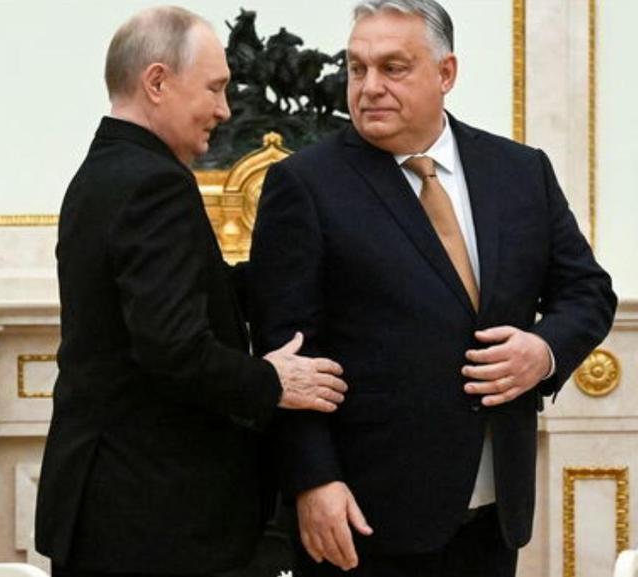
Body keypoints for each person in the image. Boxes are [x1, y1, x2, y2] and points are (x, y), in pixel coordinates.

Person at [250, 1, 617, 576]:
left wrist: (543, 351)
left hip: (495, 515)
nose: (369, 87)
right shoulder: (304, 184)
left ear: (446, 73)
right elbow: (288, 353)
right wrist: (312, 480)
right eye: (357, 68)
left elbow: (588, 292)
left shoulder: (520, 171)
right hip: (365, 518)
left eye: (393, 68)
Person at [35, 7, 348, 577]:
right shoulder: (154, 183)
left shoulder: (104, 171)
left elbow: (186, 295)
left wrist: (296, 270)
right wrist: (274, 381)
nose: (225, 109)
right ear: (157, 82)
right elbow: (174, 348)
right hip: (151, 519)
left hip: (109, 508)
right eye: (215, 88)